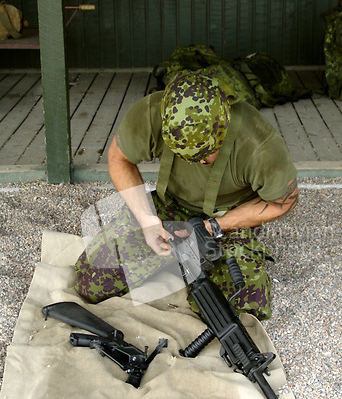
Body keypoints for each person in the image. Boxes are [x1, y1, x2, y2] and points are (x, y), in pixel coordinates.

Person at [74, 69, 298, 320]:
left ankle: (179, 265)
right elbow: (119, 158)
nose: (199, 162)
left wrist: (214, 226)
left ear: (222, 128)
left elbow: (284, 201)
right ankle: (171, 262)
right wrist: (147, 221)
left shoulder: (259, 143)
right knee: (90, 283)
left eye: (205, 154)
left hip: (228, 221)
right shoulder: (150, 114)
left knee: (241, 310)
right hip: (170, 208)